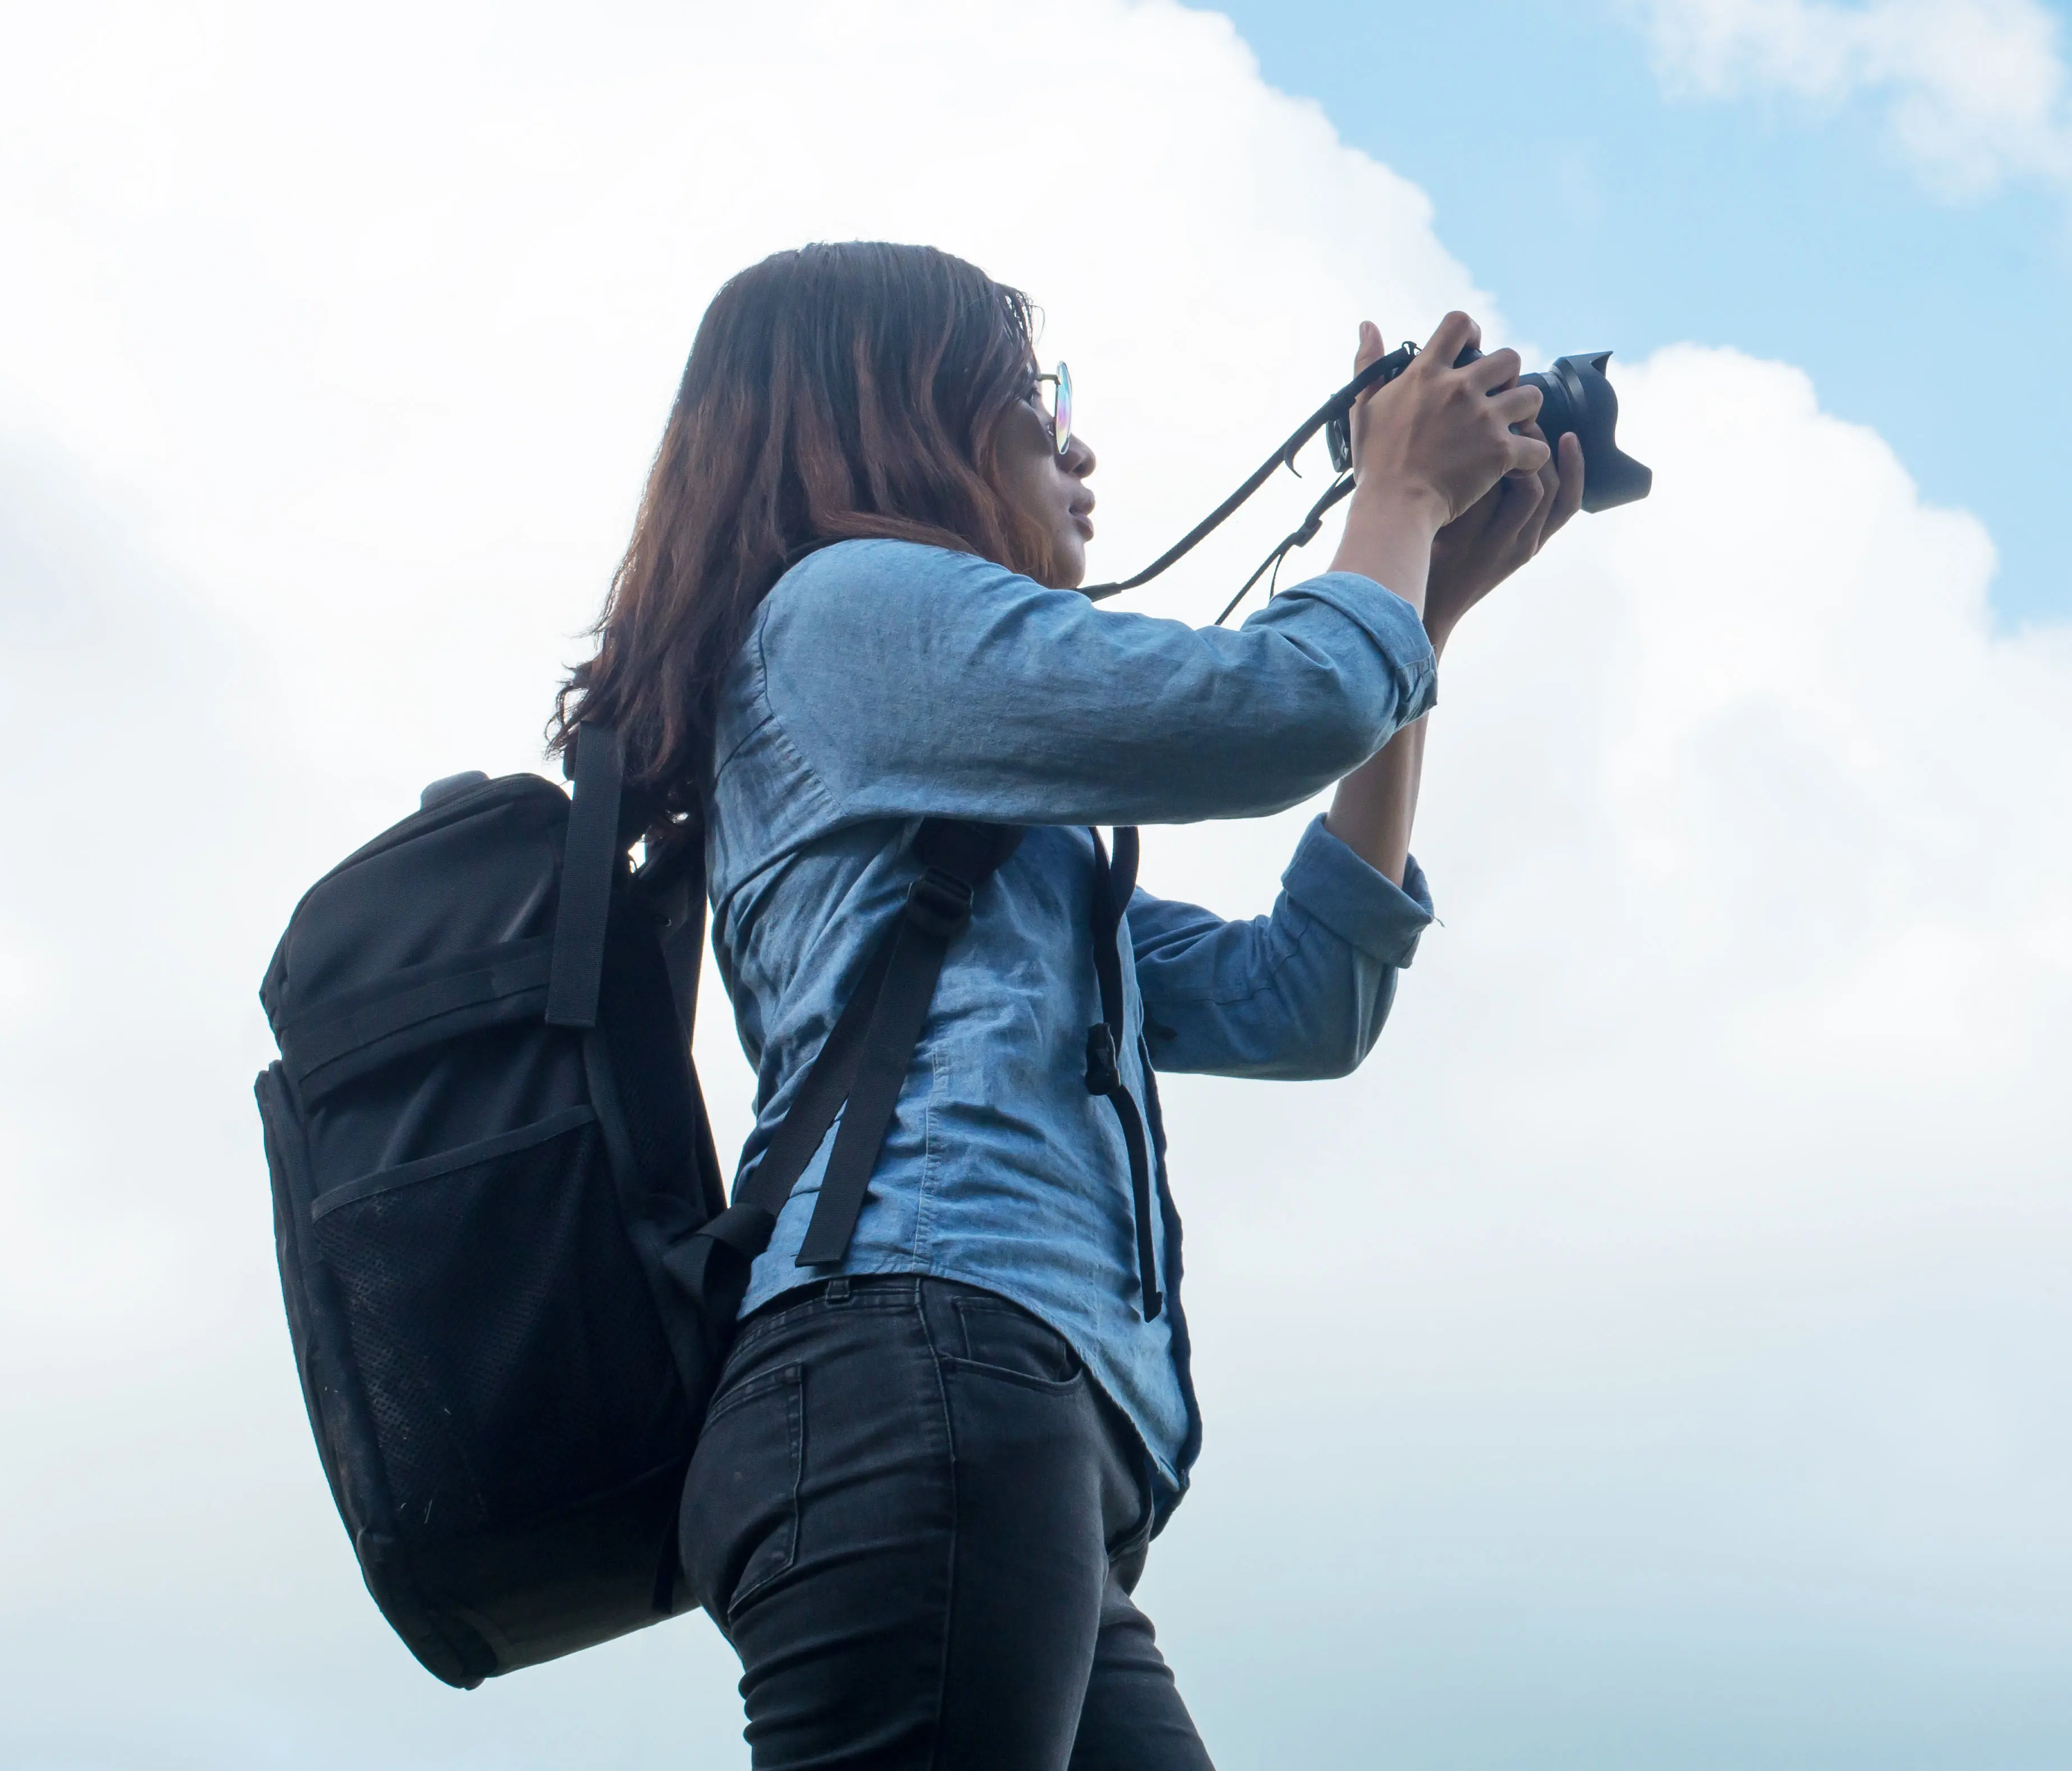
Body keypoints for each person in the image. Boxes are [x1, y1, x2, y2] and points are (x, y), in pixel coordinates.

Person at [552, 241, 1578, 1769]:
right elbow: (1287, 706)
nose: (1073, 442)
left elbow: (1297, 1003)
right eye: (1032, 399)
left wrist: (1412, 637)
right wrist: (1401, 505)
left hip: (998, 1431)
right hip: (929, 1377)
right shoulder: (845, 612)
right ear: (896, 414)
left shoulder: (971, 820)